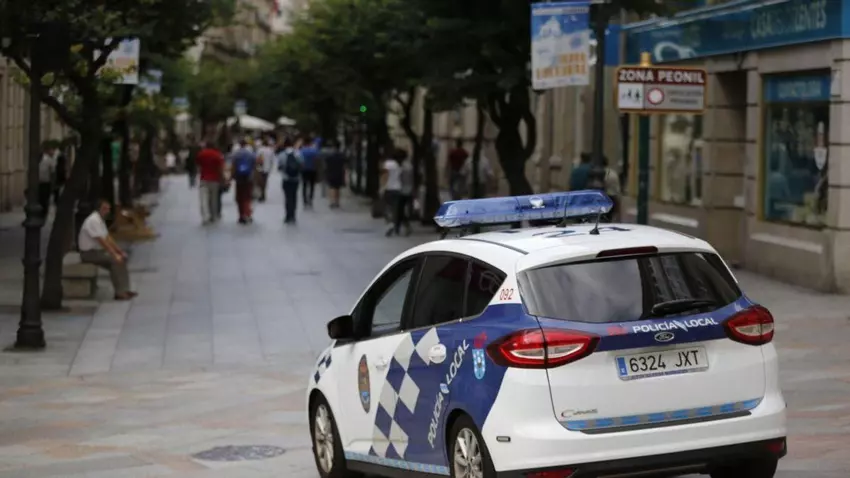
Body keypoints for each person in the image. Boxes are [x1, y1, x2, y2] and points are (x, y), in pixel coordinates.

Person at [78, 199, 136, 301]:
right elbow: (102, 241)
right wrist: (114, 254)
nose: (107, 211)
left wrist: (119, 251)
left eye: (108, 209)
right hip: (89, 253)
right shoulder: (93, 220)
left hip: (97, 251)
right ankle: (120, 292)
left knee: (121, 259)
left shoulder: (100, 220)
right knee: (115, 261)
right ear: (99, 209)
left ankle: (125, 289)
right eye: (104, 208)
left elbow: (108, 238)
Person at [196, 142, 225, 224]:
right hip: (215, 180)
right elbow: (220, 168)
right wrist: (222, 179)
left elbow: (198, 165)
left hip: (203, 179)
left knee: (203, 199)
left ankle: (205, 216)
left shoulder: (201, 154)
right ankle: (213, 215)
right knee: (213, 199)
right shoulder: (217, 155)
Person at [278, 138, 304, 224]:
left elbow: (279, 166)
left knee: (287, 197)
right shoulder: (298, 153)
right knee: (294, 196)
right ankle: (293, 215)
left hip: (286, 178)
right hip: (296, 179)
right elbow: (302, 164)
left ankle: (287, 215)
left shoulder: (282, 154)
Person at [231, 139, 257, 224]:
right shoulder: (251, 154)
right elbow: (255, 165)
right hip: (249, 178)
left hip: (239, 178)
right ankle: (248, 214)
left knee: (240, 197)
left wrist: (232, 176)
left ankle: (241, 215)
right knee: (247, 197)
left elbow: (233, 166)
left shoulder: (236, 154)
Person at [382, 149, 404, 236]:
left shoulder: (388, 164)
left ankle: (390, 223)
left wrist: (382, 187)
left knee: (387, 207)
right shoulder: (398, 165)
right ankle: (394, 224)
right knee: (395, 208)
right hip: (397, 188)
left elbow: (385, 175)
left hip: (389, 188)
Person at [324, 140, 346, 209]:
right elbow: (344, 165)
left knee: (331, 187)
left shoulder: (329, 156)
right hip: (339, 173)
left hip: (331, 173)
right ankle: (337, 202)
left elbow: (326, 164)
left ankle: (332, 202)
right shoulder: (342, 155)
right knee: (338, 188)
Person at [300, 137, 320, 207]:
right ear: (310, 143)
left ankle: (304, 200)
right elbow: (317, 160)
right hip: (312, 170)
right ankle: (310, 199)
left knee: (304, 185)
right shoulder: (314, 151)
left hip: (304, 170)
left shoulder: (302, 151)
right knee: (312, 185)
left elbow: (300, 161)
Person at [38, 144, 57, 217]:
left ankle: (44, 214)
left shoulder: (48, 160)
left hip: (46, 183)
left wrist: (53, 184)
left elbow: (53, 173)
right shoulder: (34, 160)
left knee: (45, 200)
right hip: (37, 184)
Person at [256, 137, 276, 202]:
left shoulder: (260, 150)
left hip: (260, 168)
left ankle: (262, 194)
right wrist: (271, 168)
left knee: (260, 182)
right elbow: (272, 160)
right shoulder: (270, 150)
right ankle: (263, 194)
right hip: (267, 168)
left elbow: (257, 159)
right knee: (265, 181)